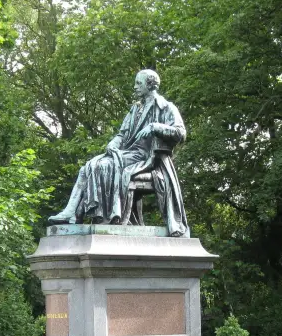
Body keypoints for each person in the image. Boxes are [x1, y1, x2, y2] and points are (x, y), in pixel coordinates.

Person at [47, 69, 189, 237]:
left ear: (150, 85)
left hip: (147, 158)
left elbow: (181, 133)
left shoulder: (165, 107)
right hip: (128, 153)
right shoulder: (135, 109)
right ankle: (71, 212)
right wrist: (113, 143)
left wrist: (155, 127)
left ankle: (106, 217)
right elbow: (122, 134)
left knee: (103, 166)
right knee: (89, 166)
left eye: (138, 83)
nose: (135, 87)